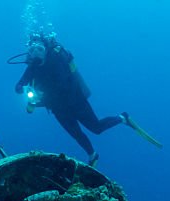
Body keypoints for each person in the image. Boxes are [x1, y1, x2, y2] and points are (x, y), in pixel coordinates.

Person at [11, 34, 160, 166]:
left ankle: (123, 118)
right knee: (76, 134)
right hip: (58, 109)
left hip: (75, 101)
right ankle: (92, 155)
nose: (36, 53)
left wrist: (38, 101)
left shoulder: (56, 61)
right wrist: (23, 90)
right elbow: (19, 84)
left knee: (96, 128)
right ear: (28, 53)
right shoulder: (31, 68)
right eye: (32, 50)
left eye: (39, 49)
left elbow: (62, 86)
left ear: (46, 50)